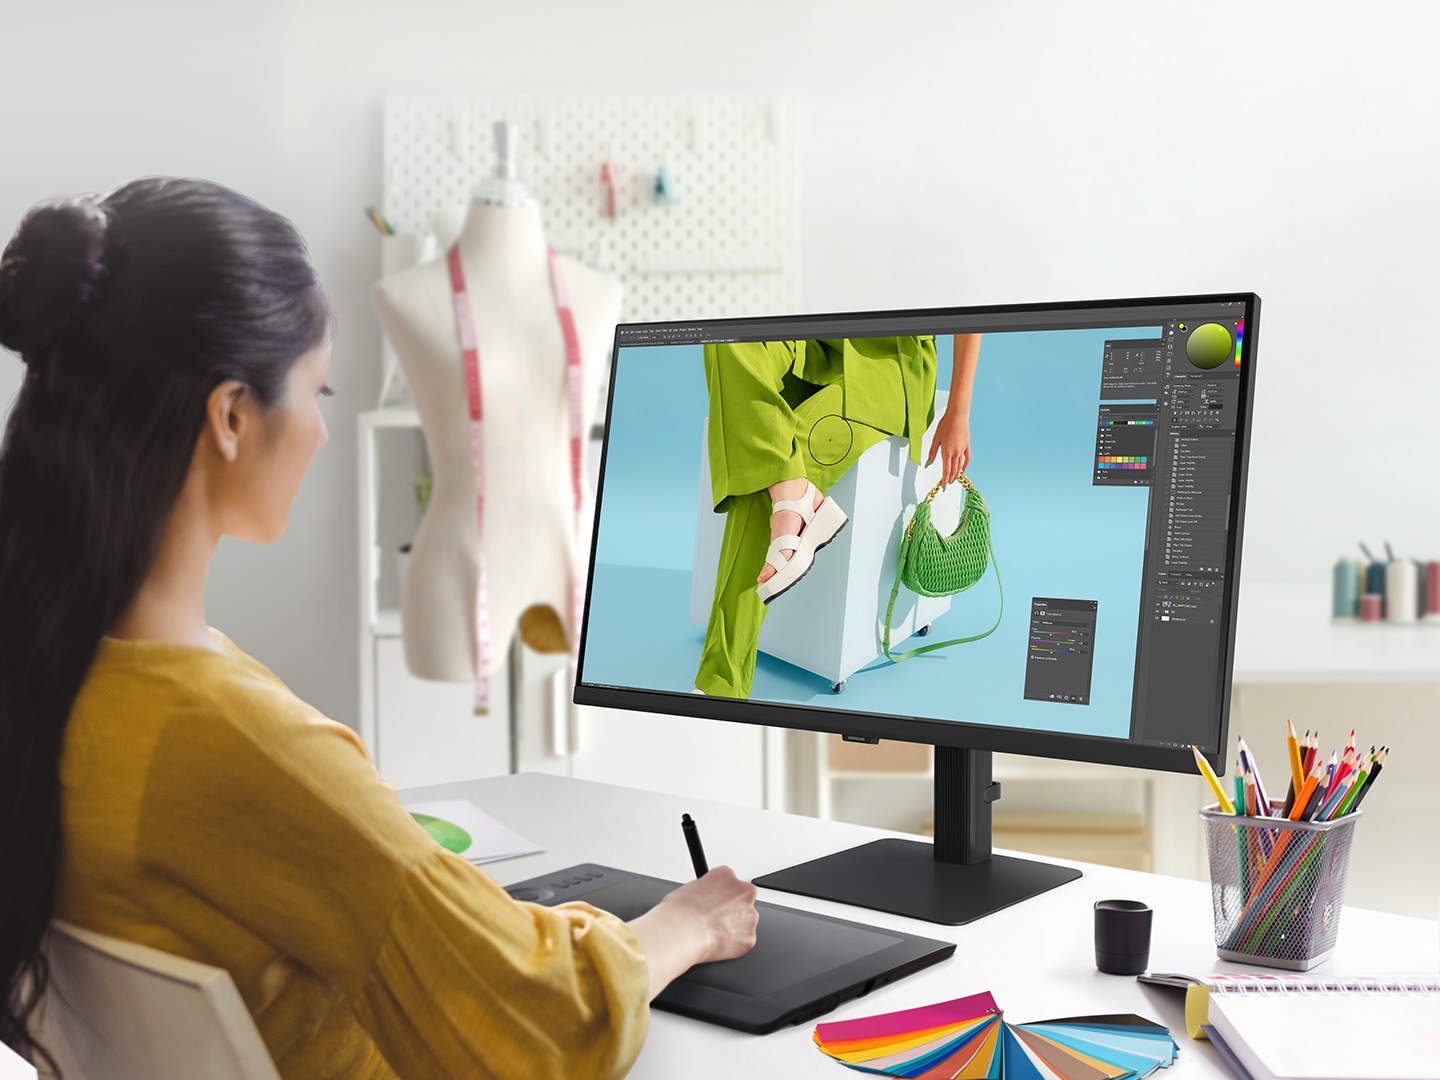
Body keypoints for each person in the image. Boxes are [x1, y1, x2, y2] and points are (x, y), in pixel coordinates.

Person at [0, 178, 758, 1080]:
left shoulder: (54, 676)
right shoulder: (240, 743)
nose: (322, 432)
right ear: (232, 416)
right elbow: (549, 1022)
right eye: (318, 391)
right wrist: (683, 926)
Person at [693, 334, 981, 698]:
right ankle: (791, 490)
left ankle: (721, 686)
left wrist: (958, 411)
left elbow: (968, 318)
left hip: (890, 366)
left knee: (765, 471)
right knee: (727, 336)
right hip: (818, 341)